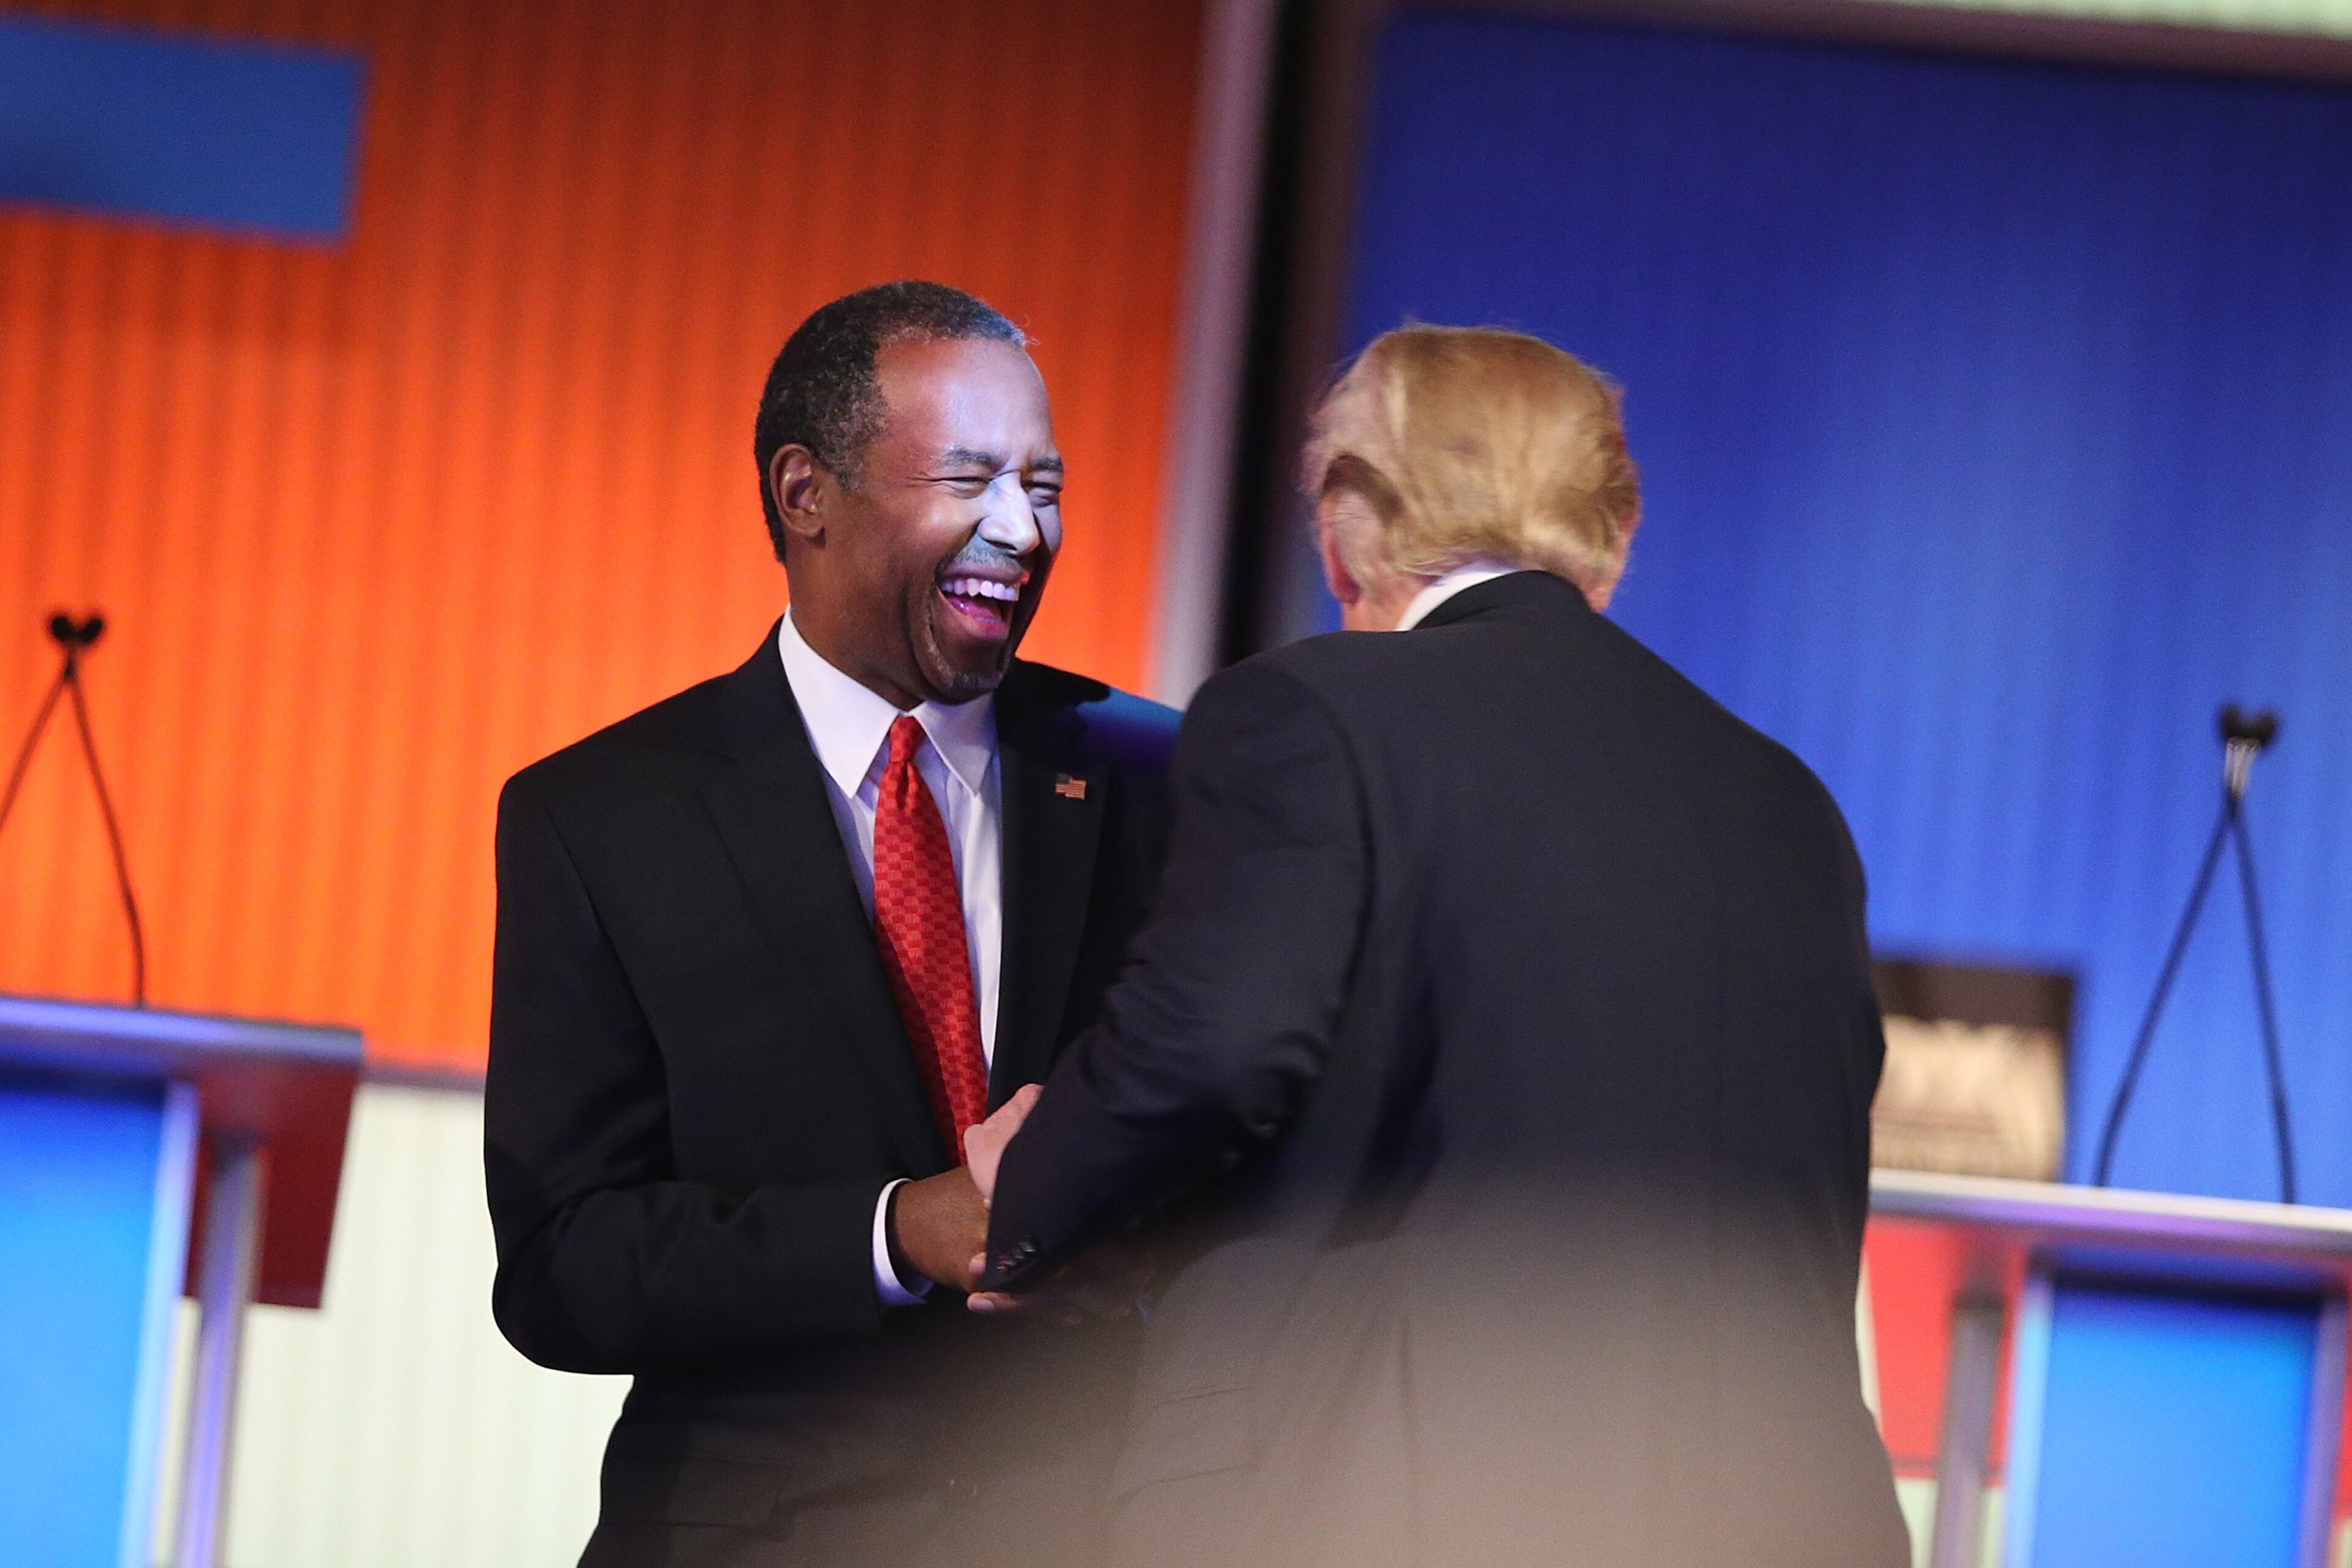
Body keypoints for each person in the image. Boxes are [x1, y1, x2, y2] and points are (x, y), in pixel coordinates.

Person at [971, 325, 1910, 1567]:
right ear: (1610, 532)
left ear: (1351, 513)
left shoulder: (1313, 710)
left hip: (1395, 1495)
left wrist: (1032, 1195)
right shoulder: (1784, 796)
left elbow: (1212, 1047)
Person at [485, 281, 1179, 1568]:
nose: (1021, 530)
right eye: (970, 477)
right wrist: (898, 1230)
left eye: (1046, 483)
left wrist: (1144, 1253)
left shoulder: (1161, 778)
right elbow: (562, 1265)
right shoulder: (601, 817)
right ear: (806, 494)